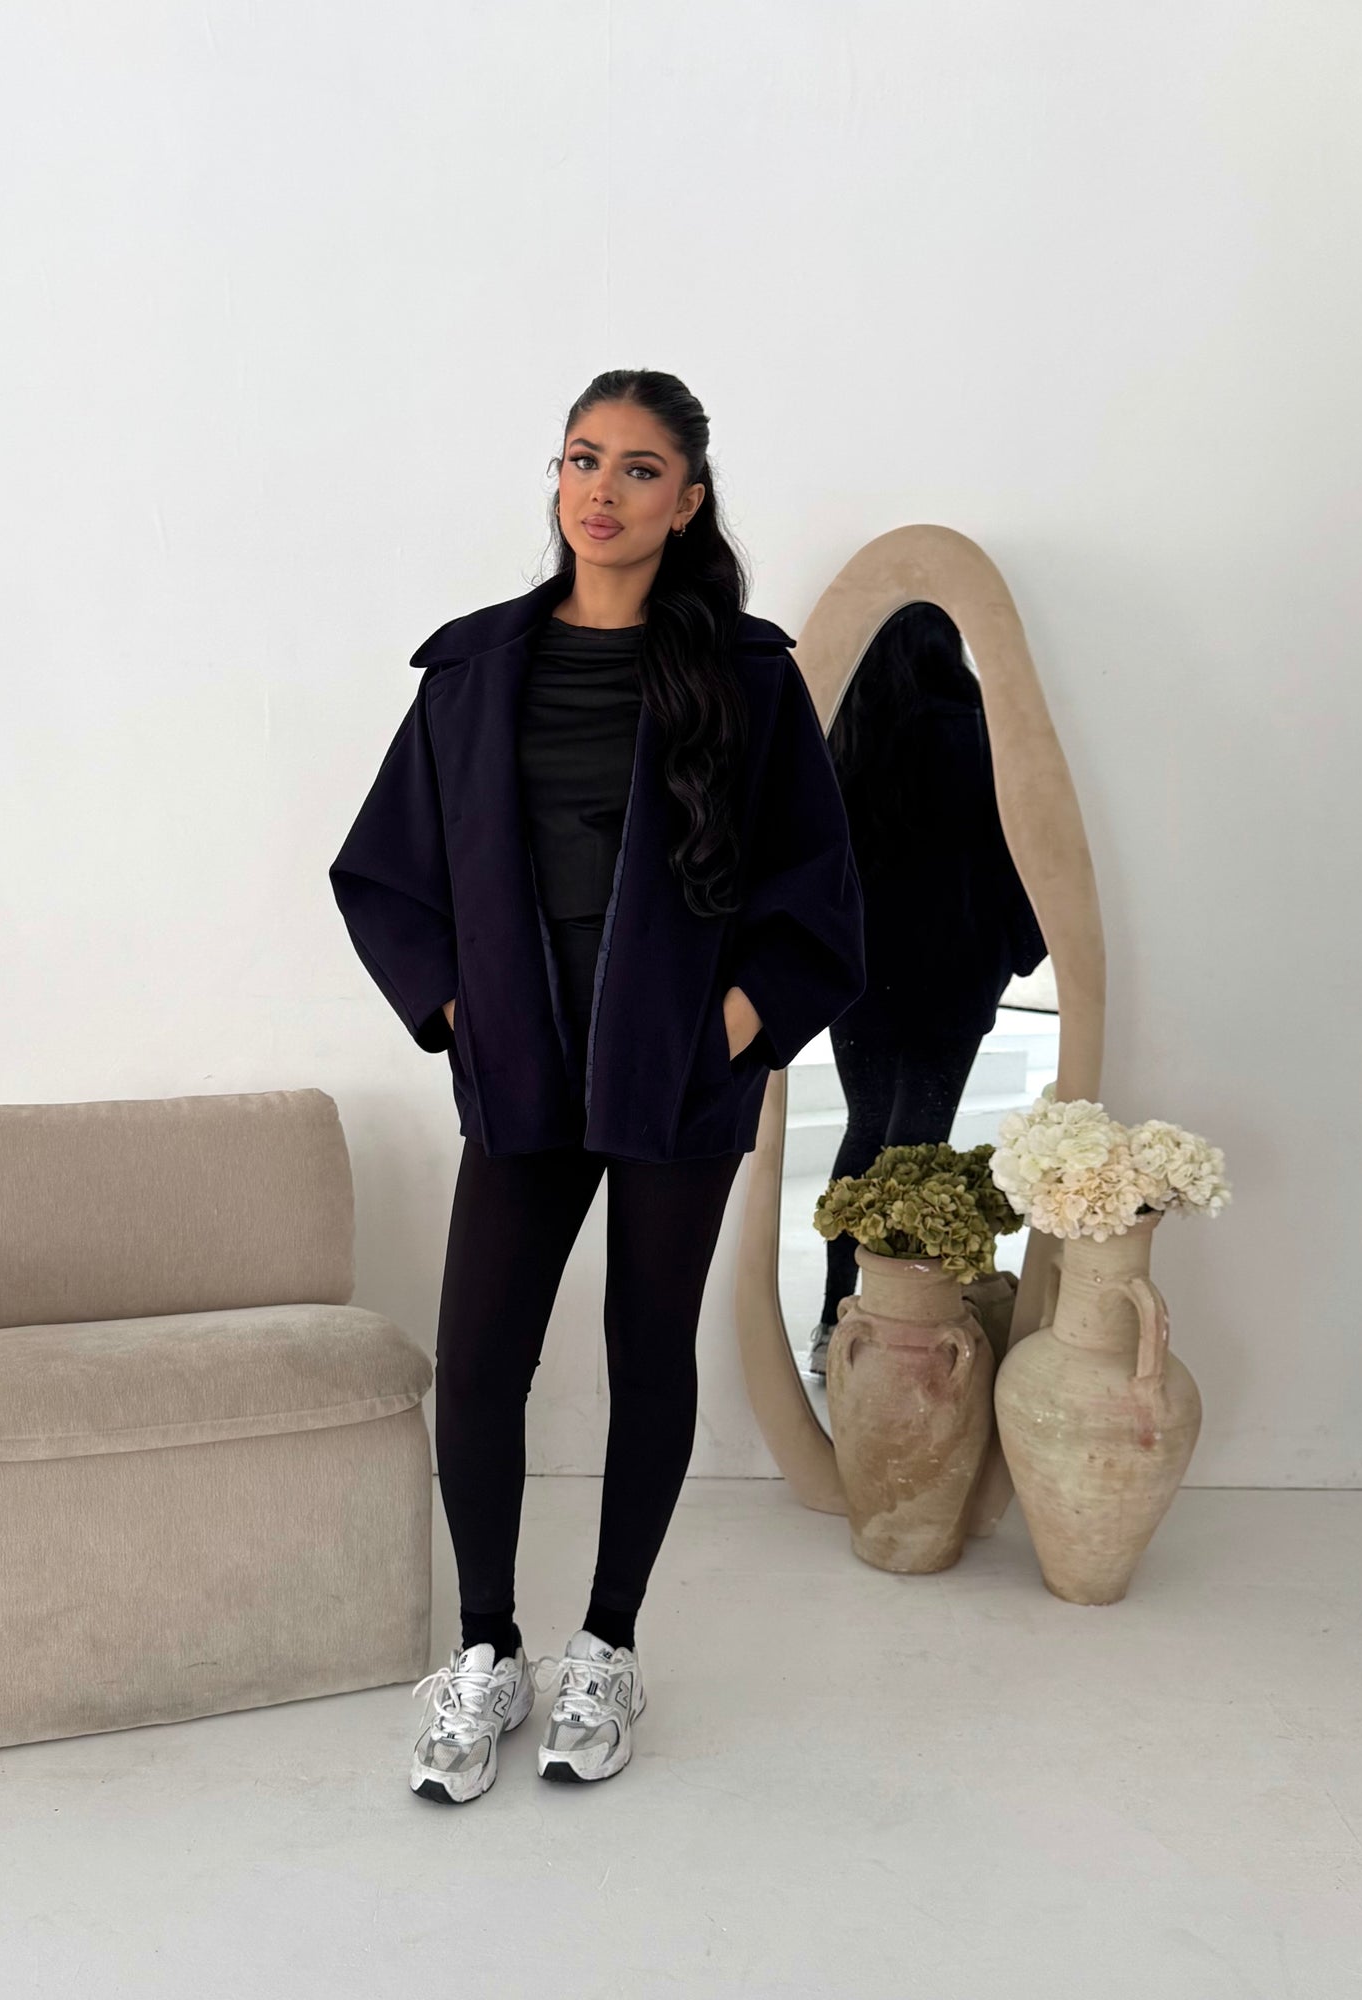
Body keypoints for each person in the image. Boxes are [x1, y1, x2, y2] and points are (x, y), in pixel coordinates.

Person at [328, 368, 866, 1803]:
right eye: (582, 458)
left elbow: (820, 893)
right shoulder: (472, 673)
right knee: (478, 1360)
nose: (602, 490)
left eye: (638, 468)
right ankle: (487, 1648)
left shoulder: (745, 679)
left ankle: (608, 1645)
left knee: (646, 1351)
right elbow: (384, 870)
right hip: (522, 1065)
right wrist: (459, 1011)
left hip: (678, 1073)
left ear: (687, 502)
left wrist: (729, 1026)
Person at [804, 602, 1048, 1377]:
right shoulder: (982, 726)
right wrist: (1020, 949)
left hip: (864, 965)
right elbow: (1020, 848)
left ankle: (836, 1319)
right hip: (957, 963)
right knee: (920, 1137)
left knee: (867, 1126)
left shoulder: (846, 730)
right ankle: (902, 1322)